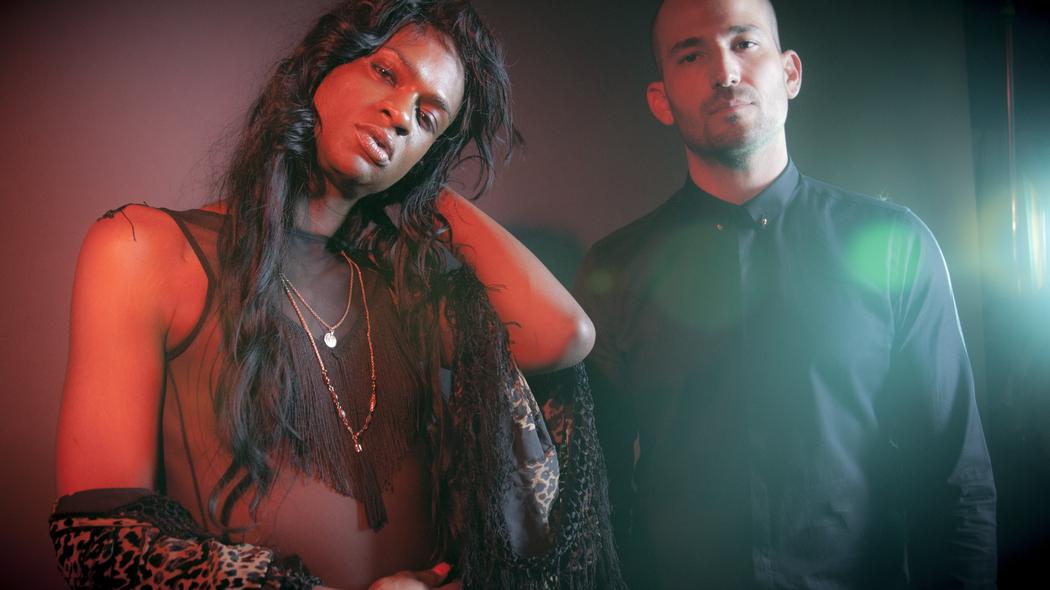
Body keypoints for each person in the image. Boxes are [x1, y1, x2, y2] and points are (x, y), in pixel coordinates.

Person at [50, 1, 622, 589]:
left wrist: (430, 192)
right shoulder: (146, 248)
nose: (401, 115)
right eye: (386, 72)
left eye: (428, 117)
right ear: (321, 66)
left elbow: (564, 335)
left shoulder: (405, 292)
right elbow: (100, 534)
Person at [574, 0, 997, 587]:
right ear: (661, 99)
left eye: (744, 43)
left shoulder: (894, 245)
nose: (725, 71)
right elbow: (596, 495)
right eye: (691, 55)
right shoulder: (615, 268)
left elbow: (955, 481)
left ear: (790, 72)